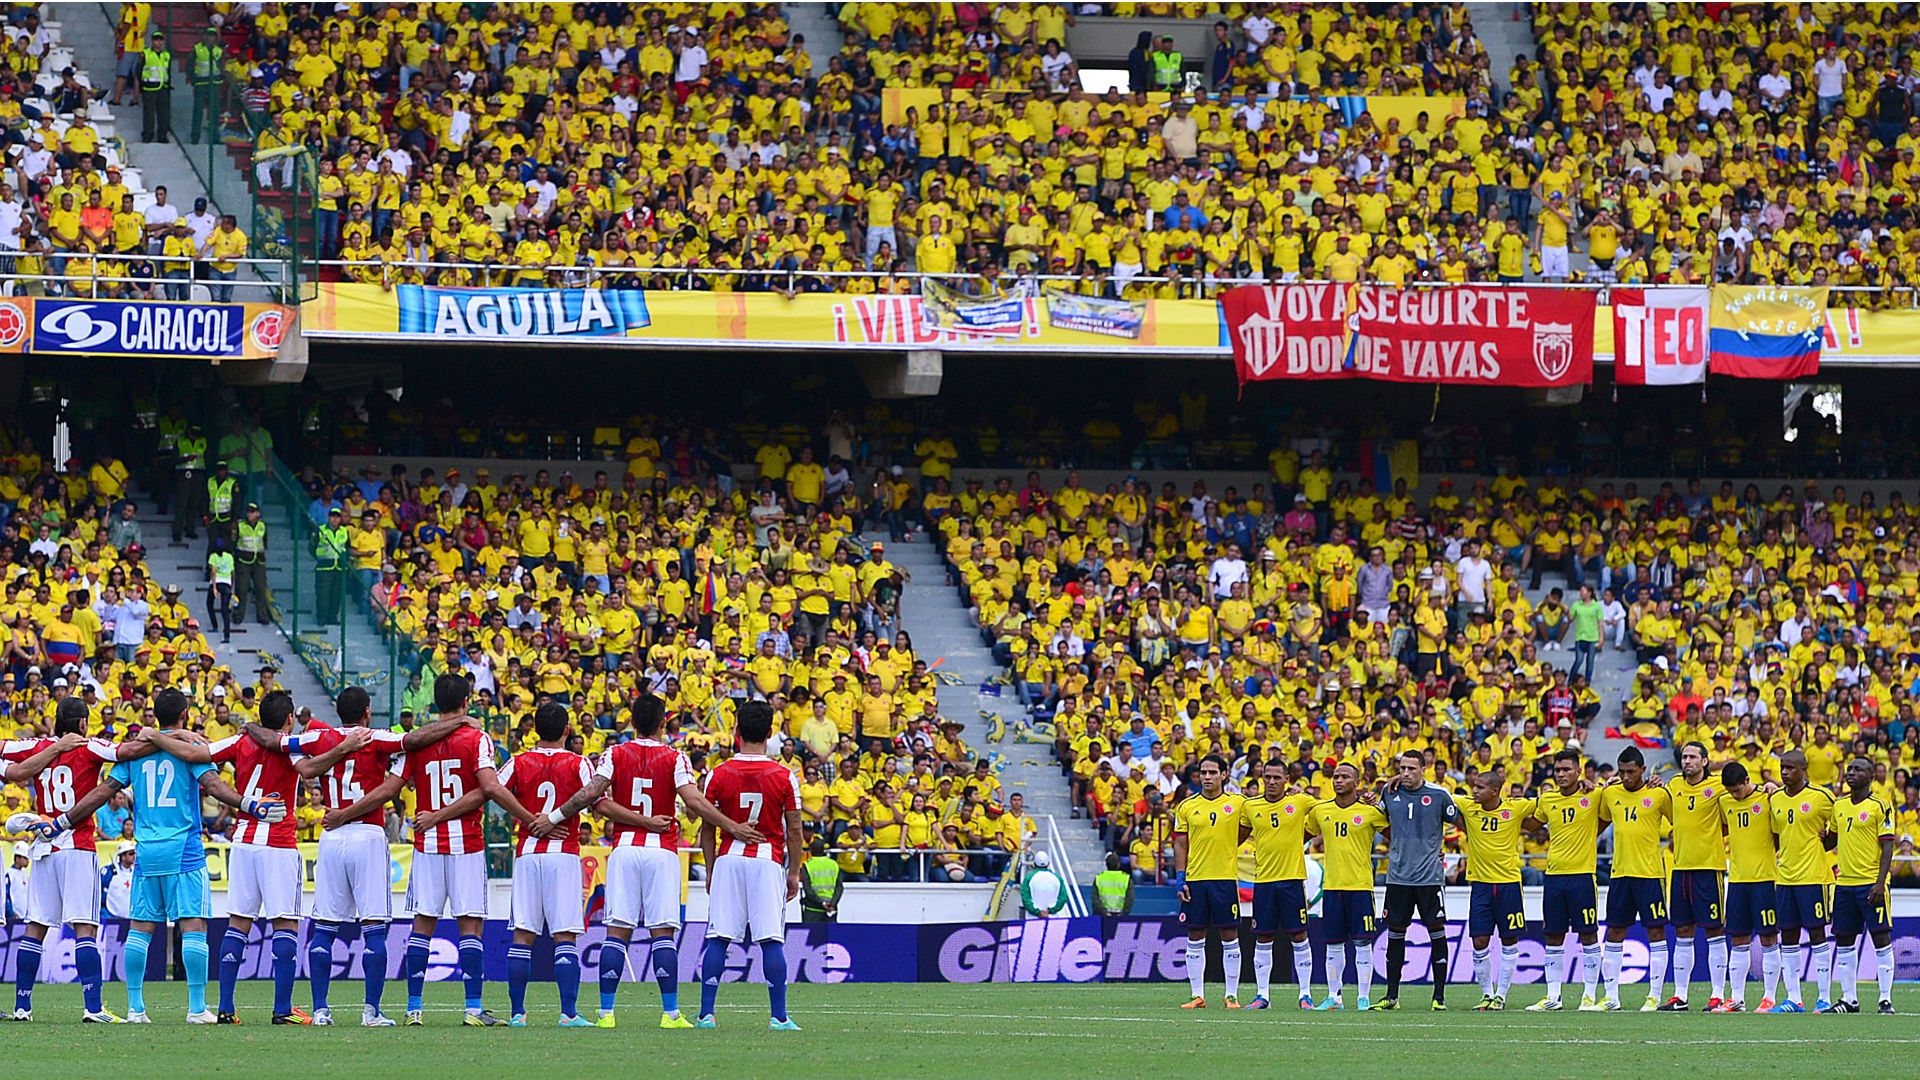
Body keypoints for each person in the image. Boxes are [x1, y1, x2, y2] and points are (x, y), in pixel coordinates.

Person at [27, 688, 282, 1022]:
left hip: (147, 850)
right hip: (184, 849)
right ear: (184, 714)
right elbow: (215, 787)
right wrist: (251, 805)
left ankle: (135, 1008)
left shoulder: (136, 753)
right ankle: (195, 1008)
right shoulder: (189, 749)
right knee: (193, 926)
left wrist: (61, 820)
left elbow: (104, 791)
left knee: (140, 929)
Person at [537, 693, 757, 1028]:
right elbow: (694, 801)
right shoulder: (675, 758)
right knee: (662, 933)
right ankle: (670, 1014)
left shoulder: (614, 753)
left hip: (624, 848)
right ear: (662, 723)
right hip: (661, 851)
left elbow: (590, 795)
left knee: (616, 931)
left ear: (634, 721)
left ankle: (606, 1013)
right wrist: (730, 826)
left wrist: (553, 817)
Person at [274, 685, 482, 1026]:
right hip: (367, 834)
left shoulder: (318, 739)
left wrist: (253, 729)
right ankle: (371, 1011)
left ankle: (322, 1010)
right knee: (373, 928)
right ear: (368, 711)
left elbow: (280, 744)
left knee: (324, 927)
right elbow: (414, 739)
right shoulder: (376, 738)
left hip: (331, 834)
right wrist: (460, 721)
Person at [393, 673, 529, 1026]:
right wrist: (527, 816)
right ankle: (472, 1009)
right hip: (465, 842)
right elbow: (487, 788)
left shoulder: (419, 742)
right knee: (470, 925)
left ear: (436, 702)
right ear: (466, 701)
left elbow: (396, 783)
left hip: (427, 843)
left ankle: (413, 1009)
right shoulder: (475, 738)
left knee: (422, 924)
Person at [1, 700, 129, 1022]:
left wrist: (52, 746)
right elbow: (124, 753)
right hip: (78, 844)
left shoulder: (39, 745)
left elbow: (5, 749)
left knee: (35, 928)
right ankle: (93, 1008)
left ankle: (22, 1007)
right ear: (83, 723)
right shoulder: (90, 747)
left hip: (43, 847)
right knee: (84, 927)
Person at [696, 700, 804, 1031]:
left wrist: (711, 868)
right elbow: (795, 829)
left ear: (737, 732)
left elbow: (707, 830)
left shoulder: (718, 773)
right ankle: (779, 1017)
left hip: (729, 859)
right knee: (771, 939)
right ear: (770, 734)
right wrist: (794, 872)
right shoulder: (784, 775)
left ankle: (706, 1015)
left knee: (718, 936)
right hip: (766, 861)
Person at [207, 690, 308, 1024]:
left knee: (237, 923)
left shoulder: (240, 742)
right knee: (285, 924)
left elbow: (203, 754)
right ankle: (282, 1009)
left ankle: (225, 1007)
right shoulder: (292, 747)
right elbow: (310, 769)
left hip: (244, 841)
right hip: (278, 841)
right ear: (289, 718)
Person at [496, 703, 595, 1027]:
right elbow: (593, 798)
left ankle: (517, 1014)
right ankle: (568, 1013)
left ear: (535, 729)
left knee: (523, 934)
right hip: (562, 854)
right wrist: (555, 819)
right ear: (567, 730)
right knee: (564, 935)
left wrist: (528, 819)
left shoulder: (520, 761)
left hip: (528, 852)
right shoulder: (579, 763)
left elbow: (493, 788)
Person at [1376, 750, 1459, 1010]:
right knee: (1395, 935)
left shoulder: (1439, 795)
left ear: (1425, 768)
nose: (1406, 773)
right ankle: (1392, 997)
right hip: (1398, 878)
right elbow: (1378, 822)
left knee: (1437, 933)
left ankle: (1439, 998)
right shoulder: (1389, 793)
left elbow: (1463, 821)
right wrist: (1401, 842)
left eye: (1412, 768)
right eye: (1402, 768)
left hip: (1430, 880)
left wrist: (1438, 848)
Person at [1525, 748, 1604, 1011]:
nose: (1561, 774)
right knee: (1553, 936)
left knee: (1589, 934)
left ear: (1579, 771)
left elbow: (1613, 803)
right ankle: (1553, 997)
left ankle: (1589, 996)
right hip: (1555, 876)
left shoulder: (1593, 794)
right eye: (1557, 770)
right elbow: (1530, 825)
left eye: (1566, 769)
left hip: (1582, 876)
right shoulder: (1547, 800)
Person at [1305, 762, 1388, 1011]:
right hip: (1332, 887)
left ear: (1357, 782)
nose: (1338, 780)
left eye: (1345, 777)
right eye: (1336, 776)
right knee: (1333, 943)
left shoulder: (1371, 812)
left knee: (1363, 943)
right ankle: (1334, 996)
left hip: (1360, 887)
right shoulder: (1321, 811)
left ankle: (1363, 997)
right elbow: (1301, 836)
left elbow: (1396, 837)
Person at [1598, 746, 1673, 1011]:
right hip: (1620, 874)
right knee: (1615, 931)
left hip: (1650, 874)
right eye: (1622, 771)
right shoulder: (1610, 793)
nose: (1627, 776)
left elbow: (1681, 823)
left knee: (1656, 931)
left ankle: (1654, 995)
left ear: (1643, 770)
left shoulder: (1659, 794)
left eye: (1632, 771)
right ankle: (1611, 997)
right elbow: (1599, 821)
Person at [1238, 759, 1317, 1008]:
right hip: (1263, 882)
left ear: (1286, 780)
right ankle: (1263, 995)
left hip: (1292, 881)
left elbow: (1330, 811)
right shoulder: (1250, 807)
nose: (1271, 781)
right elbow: (1236, 838)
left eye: (1276, 777)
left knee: (1299, 934)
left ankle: (1305, 994)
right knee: (1263, 936)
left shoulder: (1300, 802)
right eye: (1267, 776)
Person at [1171, 753, 1243, 1009]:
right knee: (1195, 934)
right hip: (1196, 879)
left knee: (1229, 934)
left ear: (1224, 775)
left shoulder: (1238, 803)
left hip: (1224, 879)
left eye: (1213, 772)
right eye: (1203, 773)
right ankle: (1196, 995)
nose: (1207, 777)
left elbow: (1249, 828)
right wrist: (1181, 878)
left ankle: (1231, 995)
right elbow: (1180, 843)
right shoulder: (1187, 806)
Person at [1661, 741, 1729, 1010]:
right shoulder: (1673, 786)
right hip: (1680, 870)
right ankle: (1681, 996)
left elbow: (1736, 807)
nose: (1687, 760)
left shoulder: (1718, 788)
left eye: (1692, 757)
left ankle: (1717, 994)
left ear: (1704, 761)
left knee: (1714, 930)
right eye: (1684, 756)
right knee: (1683, 931)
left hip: (1708, 868)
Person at [1825, 757, 1895, 1014]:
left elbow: (1888, 846)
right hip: (1843, 883)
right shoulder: (1839, 805)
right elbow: (1830, 841)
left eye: (1858, 770)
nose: (1851, 773)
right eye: (1850, 769)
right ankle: (1849, 999)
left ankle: (1885, 999)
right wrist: (1822, 837)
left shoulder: (1881, 806)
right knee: (1843, 939)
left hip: (1870, 884)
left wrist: (1880, 882)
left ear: (1871, 776)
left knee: (1880, 937)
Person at [1452, 770, 1527, 1011]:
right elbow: (1440, 794)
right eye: (1474, 786)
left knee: (1509, 939)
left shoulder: (1515, 808)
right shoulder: (1468, 805)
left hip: (1509, 884)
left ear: (1495, 791)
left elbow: (1545, 804)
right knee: (1479, 939)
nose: (1474, 791)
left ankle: (1501, 996)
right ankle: (1487, 994)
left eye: (1480, 787)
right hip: (1480, 885)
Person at [1767, 749, 1833, 1012]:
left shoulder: (1822, 797)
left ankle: (1824, 997)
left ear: (1804, 768)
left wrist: (1825, 842)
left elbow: (1838, 829)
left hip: (1813, 877)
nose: (1784, 772)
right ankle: (1794, 997)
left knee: (1817, 934)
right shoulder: (1776, 800)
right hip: (1785, 878)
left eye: (1790, 768)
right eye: (1782, 767)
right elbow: (1775, 836)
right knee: (1789, 936)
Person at [1717, 761, 1781, 1013]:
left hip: (1764, 879)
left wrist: (1774, 787)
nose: (1734, 795)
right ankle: (1737, 998)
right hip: (1737, 880)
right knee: (1738, 938)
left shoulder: (1767, 797)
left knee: (1768, 937)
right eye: (1730, 791)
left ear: (1746, 781)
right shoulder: (1725, 802)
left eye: (1737, 790)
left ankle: (1769, 997)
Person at [233, 503, 269, 626]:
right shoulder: (239, 525)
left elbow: (264, 542)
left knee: (260, 588)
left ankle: (262, 615)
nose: (250, 514)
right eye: (248, 511)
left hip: (258, 561)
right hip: (243, 560)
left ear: (258, 513)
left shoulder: (262, 526)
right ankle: (238, 615)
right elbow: (233, 542)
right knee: (241, 589)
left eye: (252, 512)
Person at [139, 30, 171, 144]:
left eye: (160, 39)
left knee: (164, 114)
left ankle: (162, 135)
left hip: (163, 88)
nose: (158, 42)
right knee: (149, 114)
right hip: (149, 88)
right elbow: (138, 71)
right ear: (152, 41)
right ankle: (148, 135)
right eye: (155, 39)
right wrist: (141, 87)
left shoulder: (167, 55)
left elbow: (168, 71)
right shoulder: (145, 53)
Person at [800, 837, 842, 923]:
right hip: (830, 909)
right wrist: (832, 903)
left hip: (812, 909)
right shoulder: (834, 864)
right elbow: (839, 887)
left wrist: (822, 903)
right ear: (824, 850)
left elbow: (807, 889)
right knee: (830, 936)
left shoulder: (807, 865)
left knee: (811, 935)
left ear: (811, 850)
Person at [1020, 851, 1067, 918]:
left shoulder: (1029, 878)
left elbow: (1025, 898)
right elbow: (1063, 897)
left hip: (1033, 919)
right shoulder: (1057, 878)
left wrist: (1038, 912)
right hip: (1055, 918)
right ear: (1048, 863)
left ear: (1034, 863)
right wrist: (1051, 910)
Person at [206, 537, 235, 643]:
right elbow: (232, 573)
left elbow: (213, 572)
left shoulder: (213, 556)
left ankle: (215, 626)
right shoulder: (229, 557)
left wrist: (214, 588)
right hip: (227, 583)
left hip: (216, 582)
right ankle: (227, 636)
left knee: (209, 604)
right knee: (225, 610)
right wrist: (232, 588)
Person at [1091, 852, 1133, 917]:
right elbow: (1130, 899)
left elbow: (1095, 899)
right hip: (1120, 917)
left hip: (1102, 917)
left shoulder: (1099, 878)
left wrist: (1104, 912)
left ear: (1106, 864)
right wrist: (1123, 913)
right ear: (1118, 864)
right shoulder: (1126, 878)